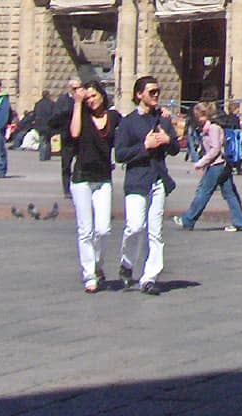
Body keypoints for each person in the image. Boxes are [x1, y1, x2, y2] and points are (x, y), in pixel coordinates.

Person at [115, 77, 180, 294]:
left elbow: (175, 149)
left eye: (158, 91)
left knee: (155, 232)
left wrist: (167, 141)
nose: (156, 95)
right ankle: (127, 263)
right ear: (139, 95)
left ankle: (149, 277)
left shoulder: (163, 120)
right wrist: (144, 146)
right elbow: (120, 154)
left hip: (158, 180)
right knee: (134, 227)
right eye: (151, 92)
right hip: (136, 180)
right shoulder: (128, 122)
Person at [66, 82, 117, 292]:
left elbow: (131, 127)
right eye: (88, 98)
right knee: (85, 230)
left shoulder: (113, 117)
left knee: (103, 228)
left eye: (94, 96)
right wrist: (78, 104)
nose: (91, 101)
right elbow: (75, 133)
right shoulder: (82, 116)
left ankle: (97, 264)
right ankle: (89, 274)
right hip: (82, 178)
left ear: (102, 95)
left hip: (103, 177)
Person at [176, 102, 242, 232]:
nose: (197, 120)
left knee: (203, 192)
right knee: (230, 193)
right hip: (223, 164)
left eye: (198, 117)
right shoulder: (208, 128)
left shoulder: (213, 128)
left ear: (204, 116)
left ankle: (188, 220)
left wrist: (201, 162)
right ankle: (240, 221)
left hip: (217, 165)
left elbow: (215, 149)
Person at [50, 79, 85, 199]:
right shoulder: (63, 100)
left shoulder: (84, 100)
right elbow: (55, 118)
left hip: (81, 137)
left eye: (79, 87)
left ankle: (78, 185)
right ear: (70, 89)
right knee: (66, 165)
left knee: (81, 163)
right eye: (74, 88)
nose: (77, 91)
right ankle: (66, 189)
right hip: (67, 137)